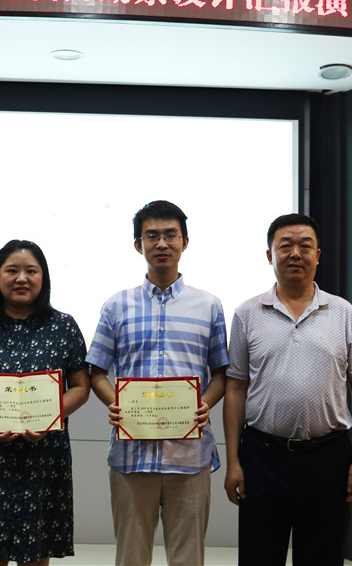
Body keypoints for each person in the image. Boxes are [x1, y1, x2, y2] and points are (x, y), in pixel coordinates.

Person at [223, 213, 352, 566]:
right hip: (263, 458)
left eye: (305, 246)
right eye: (285, 246)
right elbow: (235, 389)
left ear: (318, 255)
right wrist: (233, 461)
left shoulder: (343, 313)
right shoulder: (247, 314)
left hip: (328, 460)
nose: (295, 253)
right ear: (270, 255)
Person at [87, 200, 229, 566]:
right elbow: (96, 373)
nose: (162, 243)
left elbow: (221, 374)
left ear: (185, 242)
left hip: (190, 456)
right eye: (152, 236)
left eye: (170, 235)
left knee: (188, 559)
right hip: (131, 457)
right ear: (139, 245)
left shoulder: (209, 306)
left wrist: (205, 404)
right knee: (131, 558)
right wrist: (114, 403)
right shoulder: (116, 306)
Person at [0, 239, 91, 566]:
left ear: (43, 277)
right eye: (12, 270)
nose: (21, 278)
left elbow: (81, 387)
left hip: (43, 452)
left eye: (31, 271)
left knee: (36, 551)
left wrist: (49, 417)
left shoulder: (64, 326)